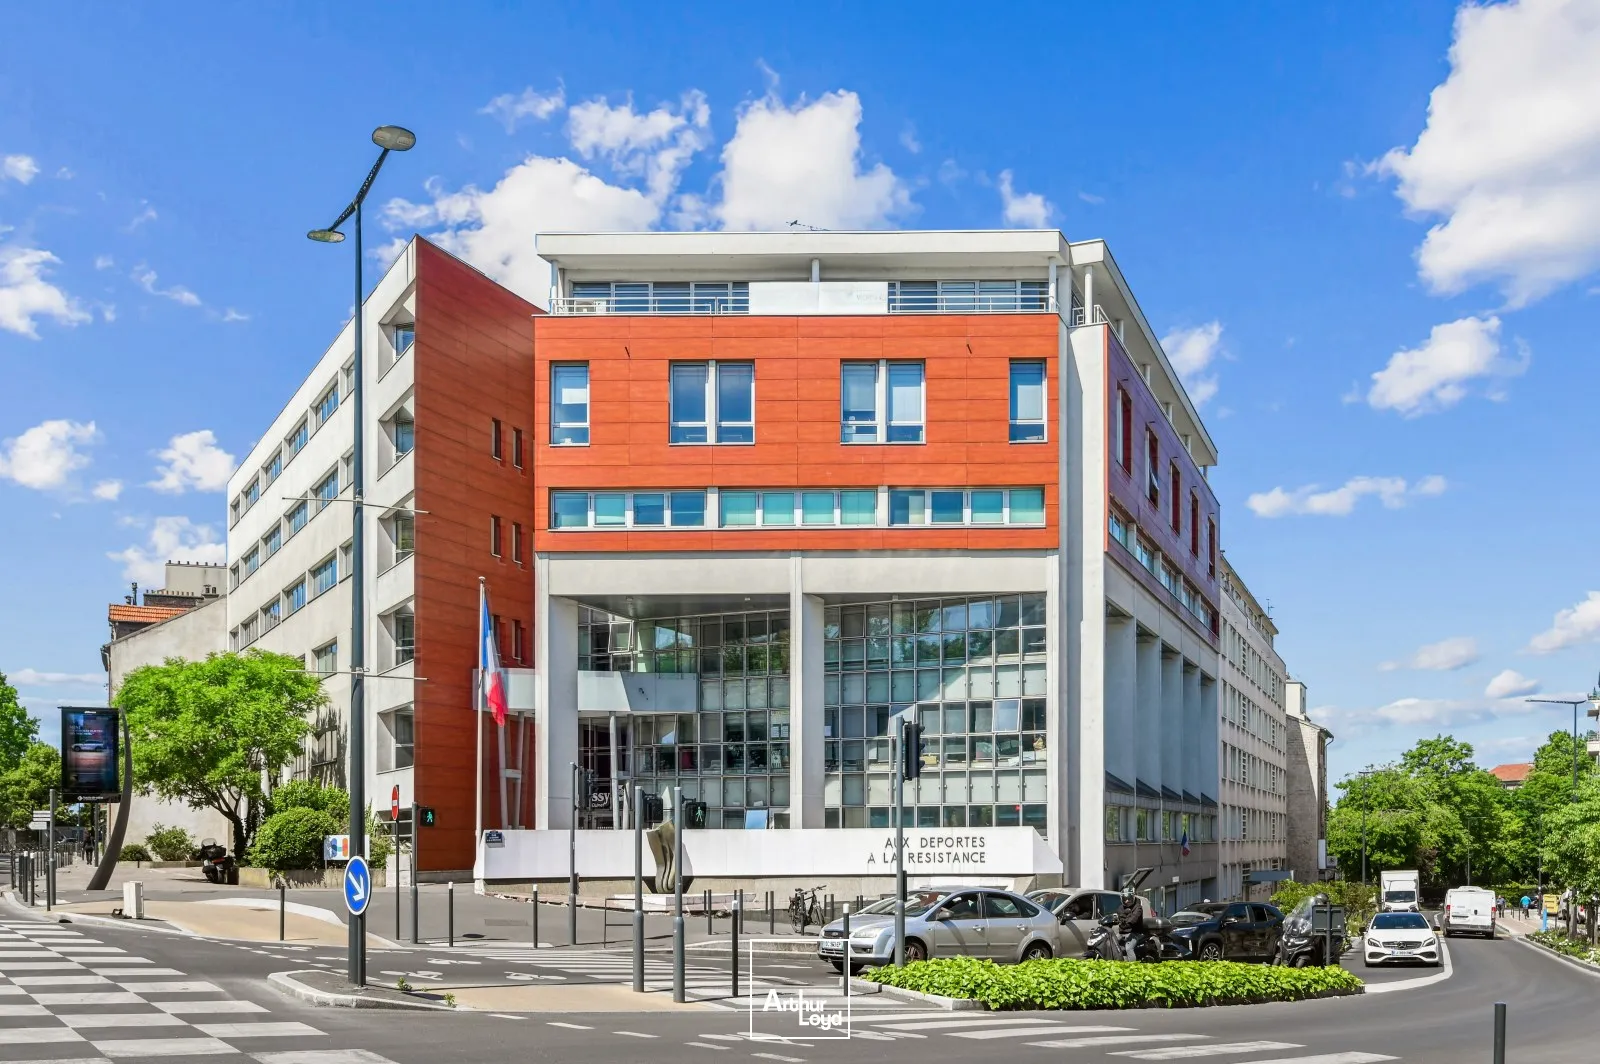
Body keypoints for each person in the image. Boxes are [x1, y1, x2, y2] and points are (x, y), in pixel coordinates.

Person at [1116, 888, 1148, 960]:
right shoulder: (1120, 908)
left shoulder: (1138, 907)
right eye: (1125, 899)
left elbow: (1134, 918)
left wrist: (1127, 922)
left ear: (1132, 897)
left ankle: (1132, 967)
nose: (1127, 901)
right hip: (1122, 932)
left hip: (1135, 932)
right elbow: (1119, 916)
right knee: (1112, 943)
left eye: (1129, 898)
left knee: (1129, 948)